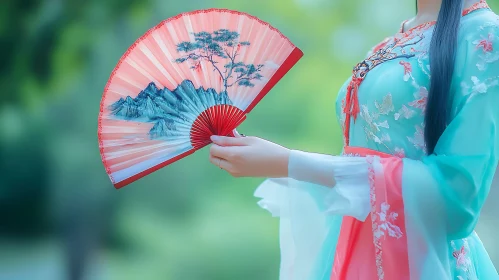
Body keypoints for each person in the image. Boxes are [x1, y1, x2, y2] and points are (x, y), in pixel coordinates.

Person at [208, 0, 499, 279]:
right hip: (355, 245)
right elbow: (359, 158)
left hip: (421, 260)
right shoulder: (402, 34)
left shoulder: (487, 36)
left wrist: (289, 162)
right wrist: (277, 160)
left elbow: (458, 194)